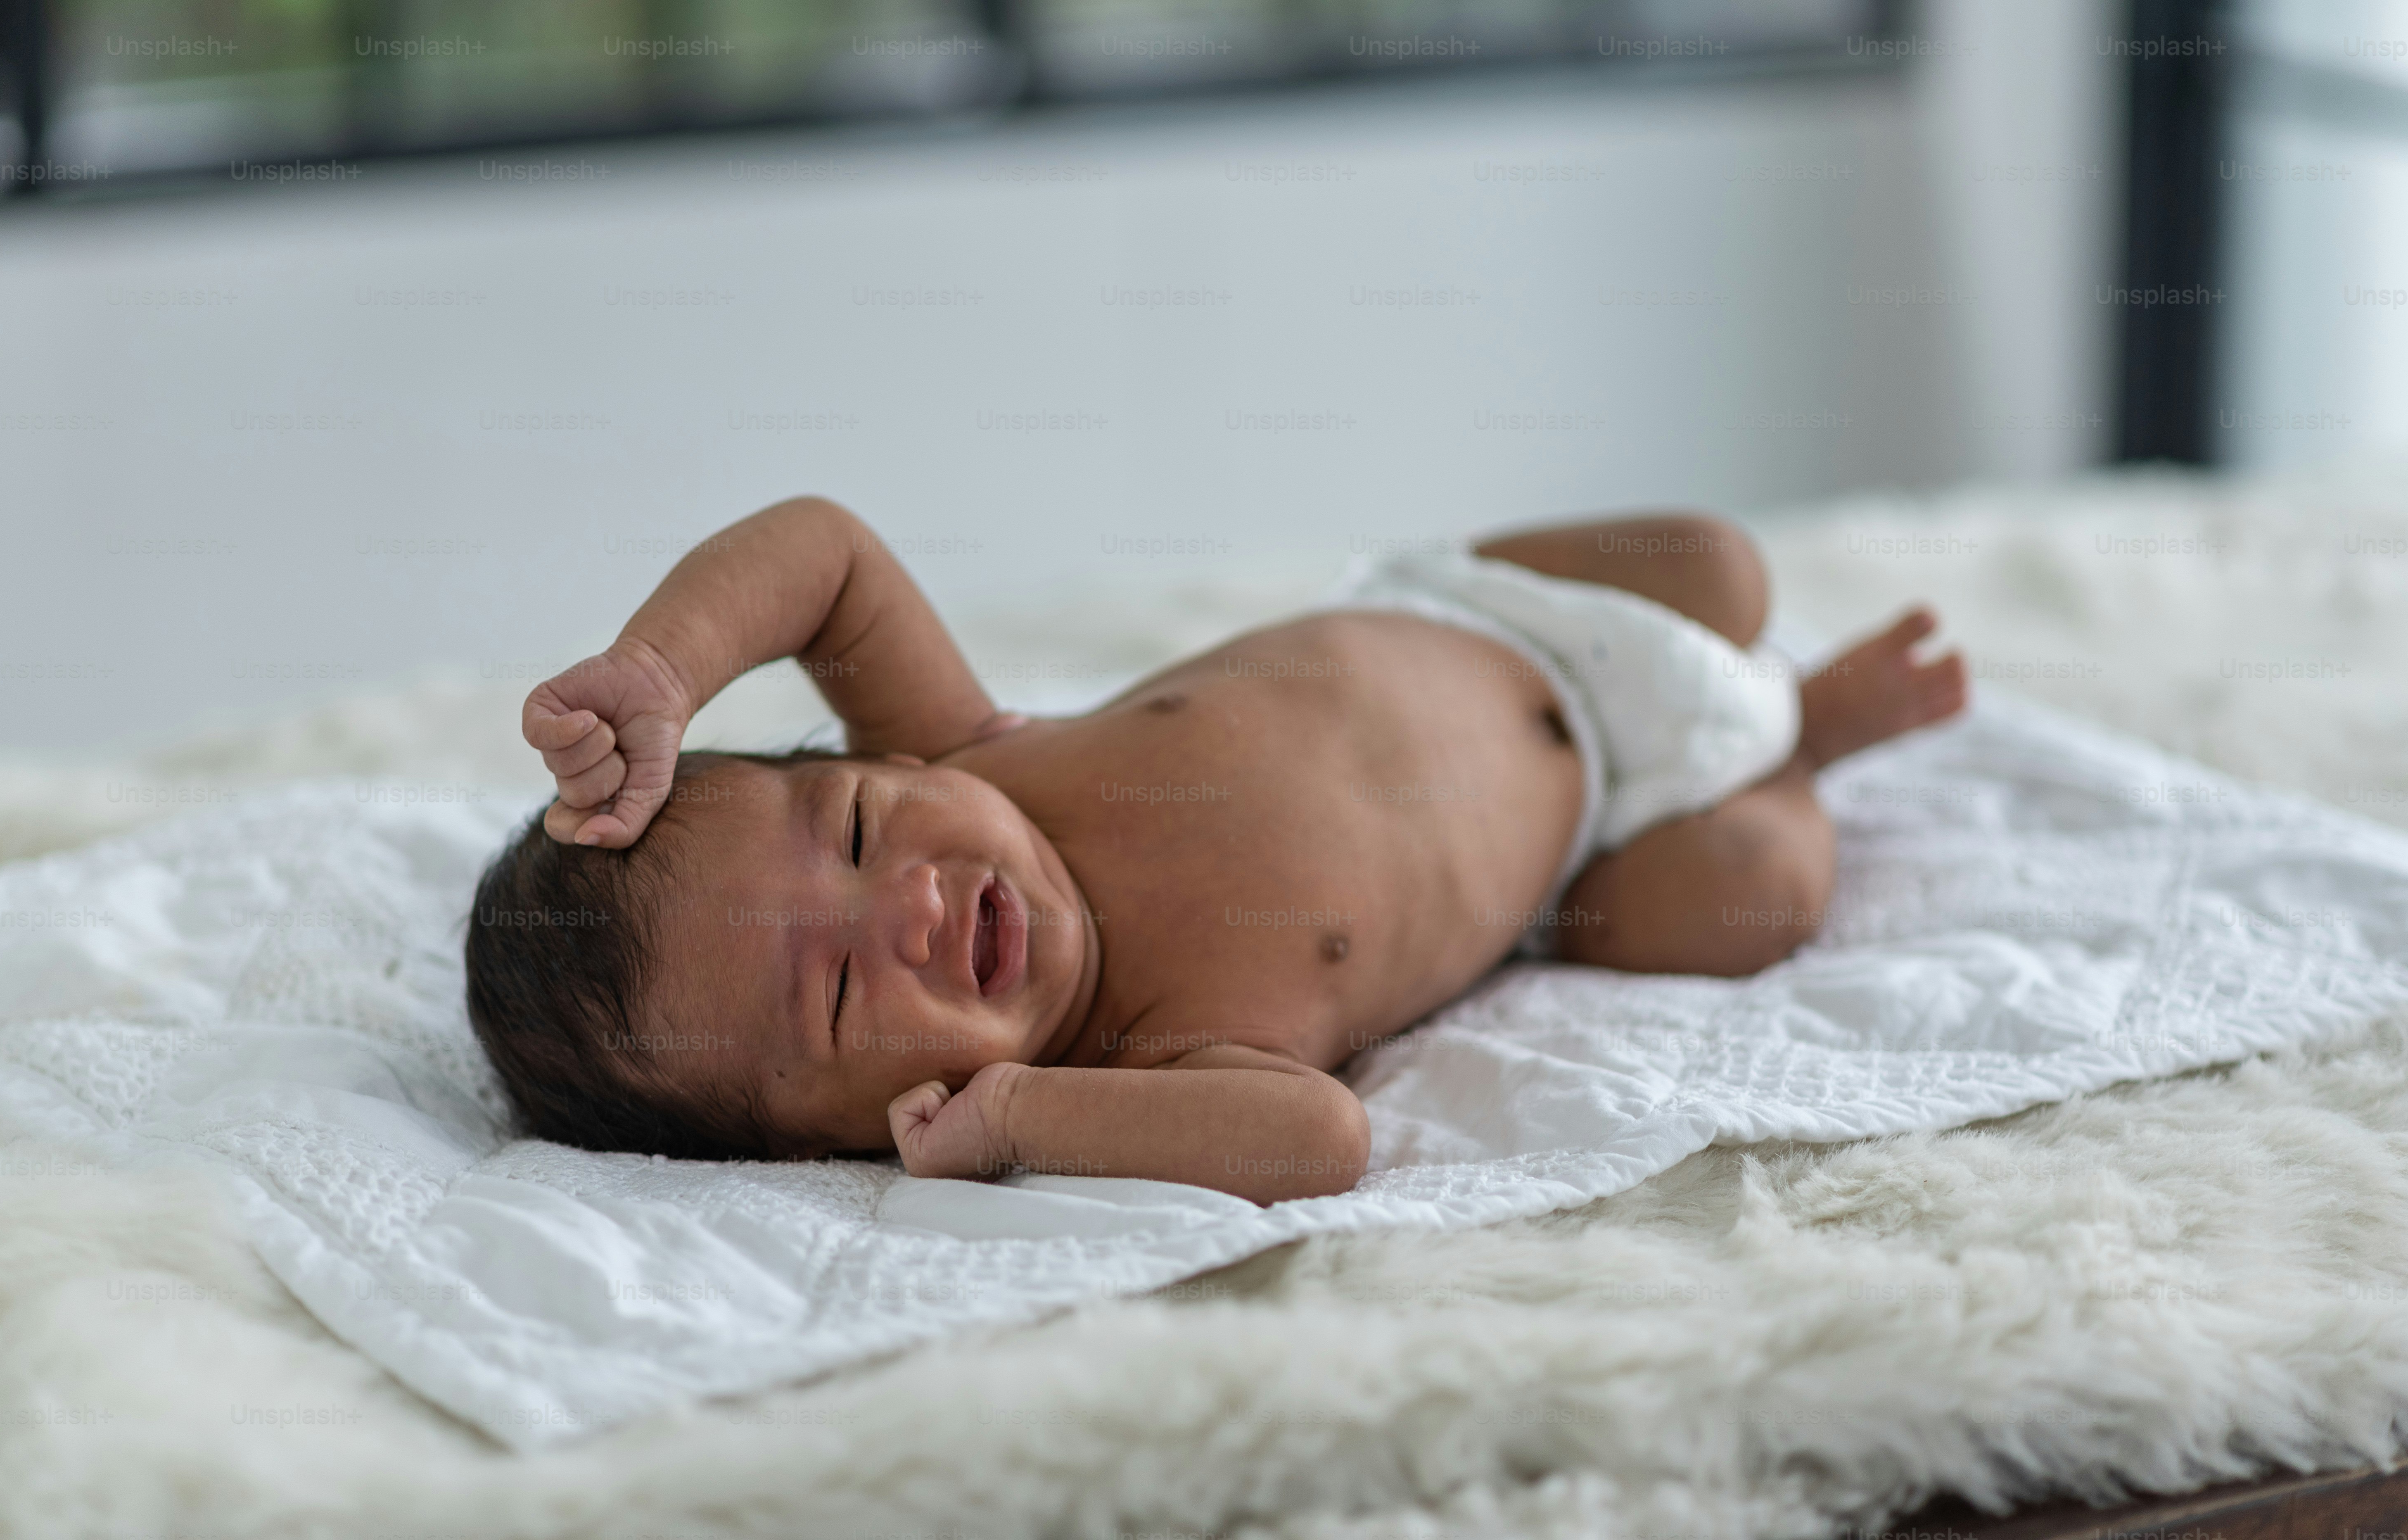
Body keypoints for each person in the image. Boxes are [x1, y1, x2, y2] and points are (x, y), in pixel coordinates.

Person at [466, 497, 1965, 1204]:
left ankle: (1760, 685)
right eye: (842, 992)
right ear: (835, 1138)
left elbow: (822, 550)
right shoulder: (1147, 1051)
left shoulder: (973, 751)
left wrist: (662, 668)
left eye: (856, 829)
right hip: (1591, 848)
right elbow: (1319, 1142)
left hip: (1484, 621)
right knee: (1743, 899)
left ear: (883, 764)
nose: (907, 905)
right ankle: (1809, 738)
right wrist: (1024, 1119)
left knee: (1716, 562)